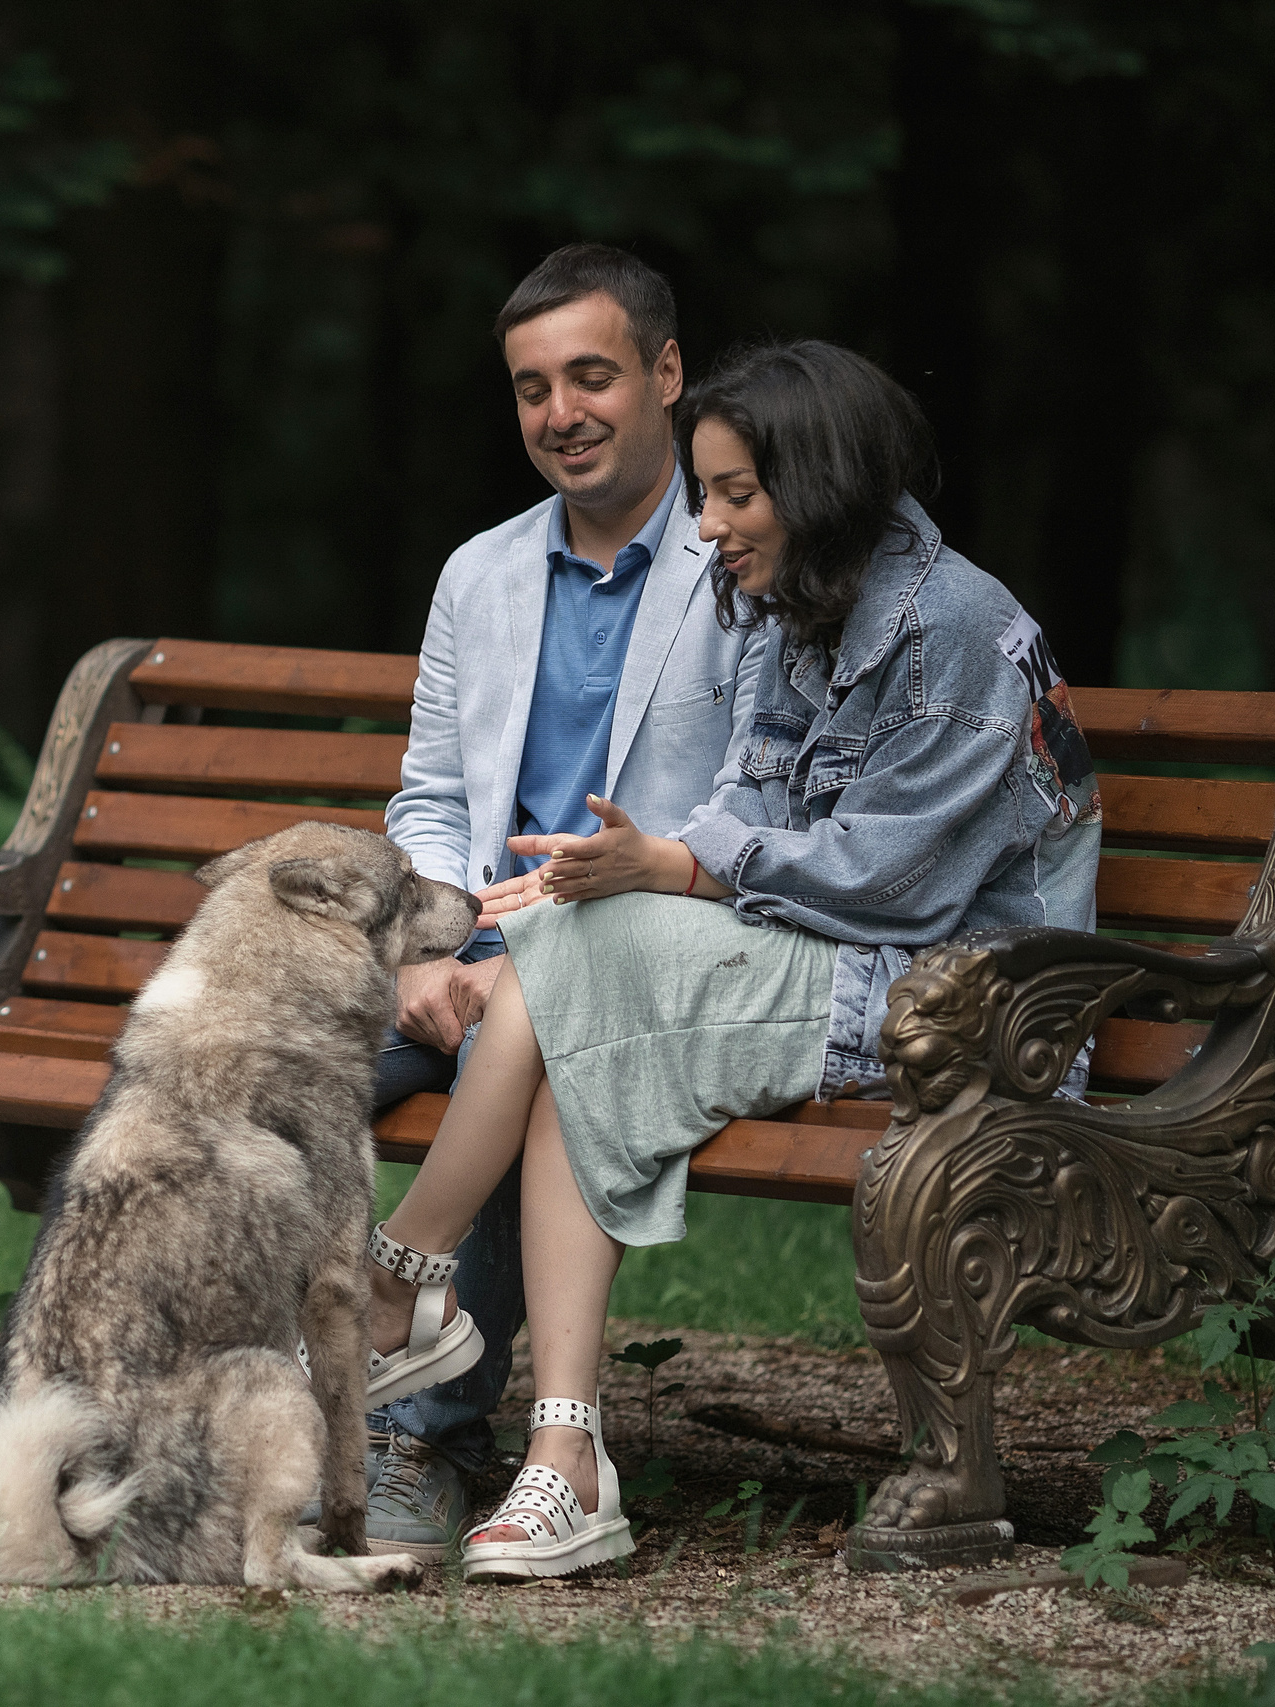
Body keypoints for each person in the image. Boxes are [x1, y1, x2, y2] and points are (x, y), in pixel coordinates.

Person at [362, 338, 1102, 1580]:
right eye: (704, 494)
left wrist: (680, 871)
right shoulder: (784, 597)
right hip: (828, 955)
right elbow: (749, 787)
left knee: (579, 955)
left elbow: (888, 879)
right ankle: (555, 1455)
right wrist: (645, 862)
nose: (704, 526)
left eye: (731, 493)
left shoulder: (956, 626)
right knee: (578, 955)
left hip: (961, 998)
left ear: (812, 483)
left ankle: (412, 1291)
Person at [355, 244, 769, 1558]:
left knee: (519, 1038)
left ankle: (422, 1436)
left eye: (591, 376)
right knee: (228, 1055)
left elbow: (769, 788)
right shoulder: (480, 572)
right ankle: (99, 1398)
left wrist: (556, 922)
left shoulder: (742, 558)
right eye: (533, 387)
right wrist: (429, 927)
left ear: (665, 373)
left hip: (651, 943)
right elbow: (425, 788)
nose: (561, 412)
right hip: (467, 941)